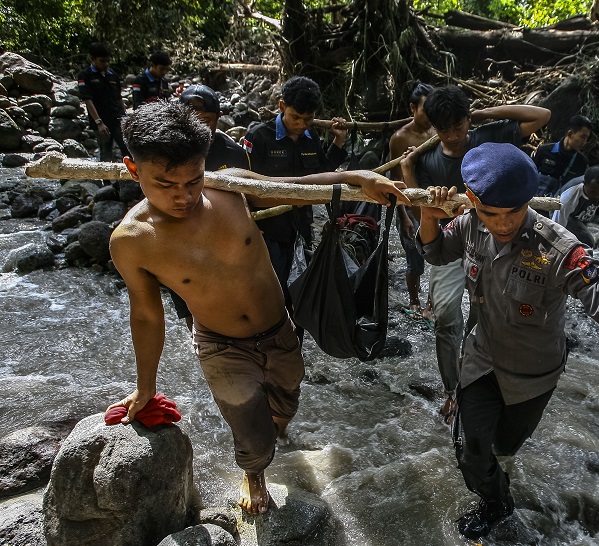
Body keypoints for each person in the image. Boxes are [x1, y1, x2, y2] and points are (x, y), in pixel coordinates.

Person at [106, 100, 410, 516]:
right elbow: (145, 314)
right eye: (165, 185)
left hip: (278, 328)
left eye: (193, 181)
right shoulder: (132, 240)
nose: (183, 196)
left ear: (204, 166)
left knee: (286, 400)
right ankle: (254, 472)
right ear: (133, 168)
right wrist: (145, 387)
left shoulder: (229, 188)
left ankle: (272, 435)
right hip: (220, 344)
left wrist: (353, 176)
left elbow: (295, 188)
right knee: (247, 419)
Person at [417, 142, 599, 541]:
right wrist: (428, 213)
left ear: (530, 200)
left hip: (533, 376)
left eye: (515, 211)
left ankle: (498, 476)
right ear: (473, 199)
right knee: (471, 452)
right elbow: (436, 251)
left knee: (504, 447)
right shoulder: (470, 223)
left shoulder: (560, 249)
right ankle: (497, 502)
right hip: (481, 360)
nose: (504, 224)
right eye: (491, 213)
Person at [400, 85, 551, 423]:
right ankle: (453, 389)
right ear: (433, 128)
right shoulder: (427, 158)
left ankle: (487, 381)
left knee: (490, 315)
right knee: (446, 320)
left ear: (469, 119)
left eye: (459, 126)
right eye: (444, 129)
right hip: (453, 241)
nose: (453, 136)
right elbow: (419, 212)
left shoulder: (490, 137)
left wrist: (484, 115)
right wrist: (409, 172)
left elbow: (542, 116)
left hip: (497, 237)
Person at [242, 76, 348, 321]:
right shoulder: (258, 137)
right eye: (295, 118)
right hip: (266, 229)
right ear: (281, 107)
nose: (301, 125)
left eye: (308, 119)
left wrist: (338, 142)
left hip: (300, 227)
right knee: (269, 288)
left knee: (297, 287)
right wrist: (248, 226)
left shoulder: (312, 138)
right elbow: (244, 186)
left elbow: (324, 174)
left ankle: (291, 339)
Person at [165, 84, 252, 330]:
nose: (199, 128)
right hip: (179, 235)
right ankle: (196, 334)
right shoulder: (164, 152)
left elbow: (247, 197)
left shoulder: (233, 153)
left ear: (218, 119)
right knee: (186, 293)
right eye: (191, 120)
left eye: (206, 121)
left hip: (222, 236)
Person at [388, 81, 435, 322]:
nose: (431, 114)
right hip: (409, 203)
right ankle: (414, 300)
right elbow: (394, 180)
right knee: (414, 256)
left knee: (438, 253)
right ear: (412, 108)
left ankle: (431, 303)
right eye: (426, 109)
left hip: (434, 202)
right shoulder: (400, 138)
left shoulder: (438, 132)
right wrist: (403, 215)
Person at [76, 42, 127, 162]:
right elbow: (88, 100)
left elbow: (118, 97)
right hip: (101, 121)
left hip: (117, 119)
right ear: (93, 59)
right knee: (106, 151)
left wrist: (125, 117)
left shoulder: (112, 75)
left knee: (126, 148)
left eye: (107, 61)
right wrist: (99, 123)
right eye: (102, 61)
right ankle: (108, 180)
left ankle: (131, 178)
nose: (106, 64)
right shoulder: (85, 76)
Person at [552, 164, 599, 249]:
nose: (597, 196)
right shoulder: (569, 197)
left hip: (580, 216)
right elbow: (557, 227)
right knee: (587, 242)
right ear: (584, 184)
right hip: (563, 214)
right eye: (593, 192)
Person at [531, 114, 593, 197]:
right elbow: (530, 176)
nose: (584, 142)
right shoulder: (544, 150)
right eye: (582, 137)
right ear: (570, 134)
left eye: (586, 138)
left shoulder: (581, 162)